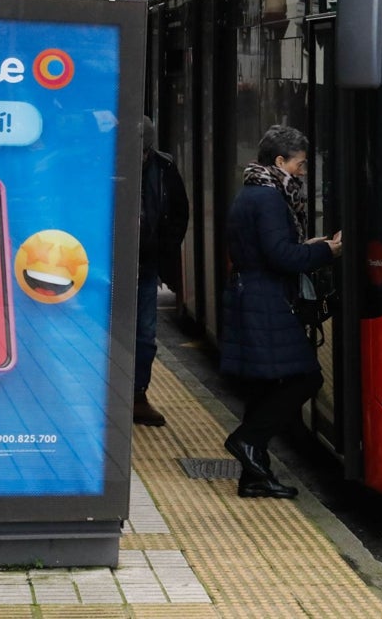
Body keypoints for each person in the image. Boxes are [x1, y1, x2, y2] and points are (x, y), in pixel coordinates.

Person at [220, 124, 342, 498]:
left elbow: (268, 248)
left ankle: (255, 475)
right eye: (300, 165)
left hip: (253, 296)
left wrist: (306, 244)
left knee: (264, 386)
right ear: (280, 161)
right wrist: (327, 251)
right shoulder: (269, 199)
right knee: (305, 377)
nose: (303, 172)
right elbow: (281, 257)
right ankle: (246, 441)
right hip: (266, 301)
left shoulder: (252, 193)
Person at [135, 116, 190, 426]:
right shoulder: (101, 162)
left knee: (145, 333)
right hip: (107, 264)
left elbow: (179, 212)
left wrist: (164, 250)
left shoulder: (164, 168)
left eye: (143, 152)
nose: (139, 158)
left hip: (147, 262)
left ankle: (137, 395)